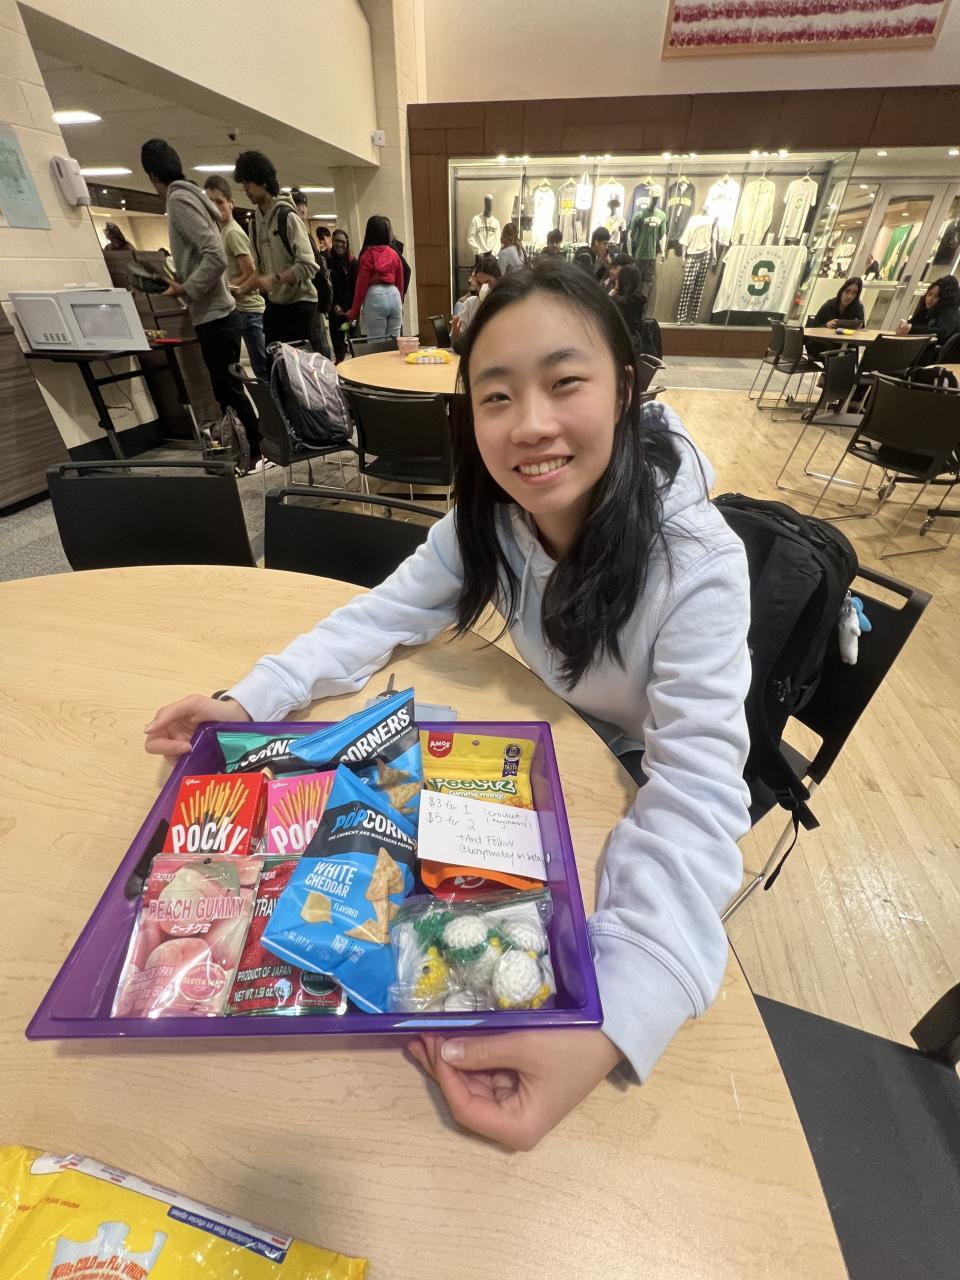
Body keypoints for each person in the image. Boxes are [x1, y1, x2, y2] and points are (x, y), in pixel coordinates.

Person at [144, 260, 751, 1152]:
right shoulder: (494, 515)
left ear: (624, 389)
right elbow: (385, 613)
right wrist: (249, 698)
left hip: (629, 776)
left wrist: (610, 1021)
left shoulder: (699, 564)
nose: (530, 424)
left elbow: (698, 793)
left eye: (565, 382)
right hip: (553, 755)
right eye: (496, 396)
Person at [140, 138, 262, 465]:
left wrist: (186, 288)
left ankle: (255, 450)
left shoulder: (179, 200)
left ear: (153, 176)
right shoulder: (191, 197)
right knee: (227, 389)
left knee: (228, 390)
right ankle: (250, 448)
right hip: (218, 313)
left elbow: (215, 256)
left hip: (216, 315)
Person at [232, 151, 319, 349]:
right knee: (274, 363)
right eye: (243, 184)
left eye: (248, 183)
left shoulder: (287, 217)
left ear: (263, 181)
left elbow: (309, 266)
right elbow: (261, 271)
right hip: (275, 306)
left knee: (301, 366)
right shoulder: (255, 223)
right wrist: (242, 289)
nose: (245, 190)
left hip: (301, 306)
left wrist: (276, 279)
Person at [202, 174, 268, 381]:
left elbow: (250, 270)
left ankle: (272, 401)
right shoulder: (221, 232)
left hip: (249, 310)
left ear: (230, 204)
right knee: (242, 367)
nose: (215, 207)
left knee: (262, 369)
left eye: (219, 202)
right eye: (210, 202)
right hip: (238, 309)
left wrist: (229, 287)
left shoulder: (233, 232)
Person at [347, 215, 404, 339]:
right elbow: (400, 283)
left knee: (376, 344)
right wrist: (400, 304)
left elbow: (361, 287)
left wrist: (354, 313)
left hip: (375, 297)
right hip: (394, 296)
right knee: (394, 344)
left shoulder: (367, 255)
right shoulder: (394, 254)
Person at [896, 275, 960, 356]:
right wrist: (904, 326)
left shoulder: (950, 312)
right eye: (929, 294)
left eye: (936, 296)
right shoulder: (926, 309)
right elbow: (913, 323)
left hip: (937, 356)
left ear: (944, 299)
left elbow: (941, 333)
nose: (930, 299)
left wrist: (911, 329)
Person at [806, 277, 866, 363]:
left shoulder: (858, 308)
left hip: (843, 346)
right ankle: (834, 369)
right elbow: (812, 329)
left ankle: (840, 368)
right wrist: (826, 325)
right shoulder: (829, 305)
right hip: (822, 345)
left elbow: (861, 329)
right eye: (847, 291)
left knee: (850, 352)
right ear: (842, 290)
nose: (849, 296)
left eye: (854, 293)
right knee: (840, 356)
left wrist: (858, 327)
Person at [451, 254, 500, 340]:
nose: (484, 288)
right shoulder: (470, 304)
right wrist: (455, 333)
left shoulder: (506, 305)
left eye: (488, 282)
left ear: (498, 280)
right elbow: (456, 339)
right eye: (479, 284)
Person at [328, 227, 359, 362]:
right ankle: (340, 366)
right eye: (336, 241)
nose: (339, 244)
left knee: (355, 343)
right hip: (335, 311)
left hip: (351, 310)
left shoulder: (353, 262)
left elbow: (357, 287)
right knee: (338, 345)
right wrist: (334, 306)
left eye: (343, 242)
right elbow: (326, 288)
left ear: (347, 244)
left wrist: (353, 309)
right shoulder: (327, 261)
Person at [611, 262, 648, 348]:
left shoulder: (618, 302)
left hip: (618, 342)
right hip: (636, 341)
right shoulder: (639, 299)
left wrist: (614, 291)